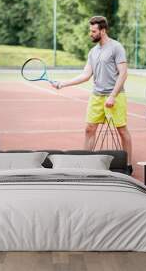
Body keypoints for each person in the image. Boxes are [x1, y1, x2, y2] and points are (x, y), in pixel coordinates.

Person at [52, 16, 133, 175]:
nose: (91, 33)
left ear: (103, 31)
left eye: (93, 31)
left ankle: (128, 165)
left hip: (115, 96)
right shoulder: (93, 52)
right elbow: (85, 75)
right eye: (90, 30)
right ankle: (86, 162)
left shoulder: (116, 47)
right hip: (96, 96)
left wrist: (112, 96)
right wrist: (63, 84)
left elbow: (123, 74)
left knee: (122, 130)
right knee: (89, 129)